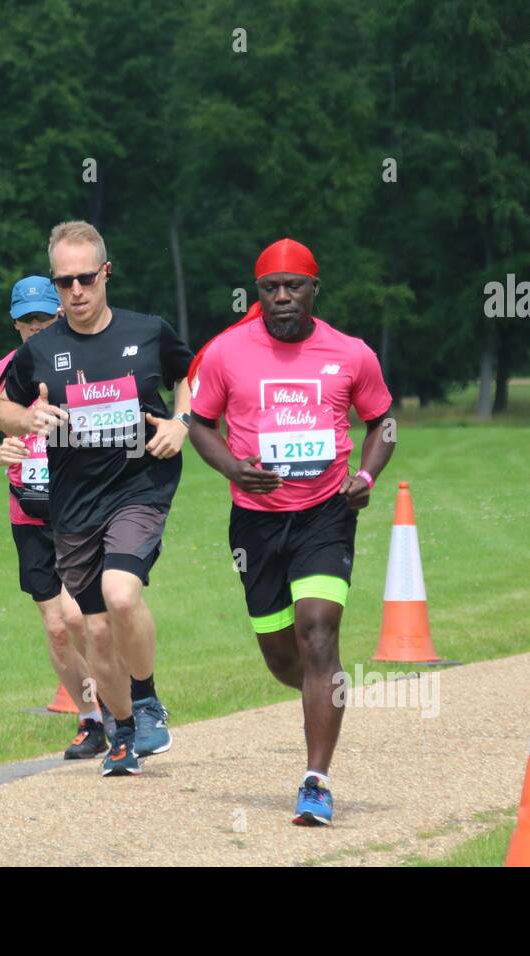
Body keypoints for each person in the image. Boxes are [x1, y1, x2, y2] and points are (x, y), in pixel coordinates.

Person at [187, 238, 395, 826]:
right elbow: (200, 425)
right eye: (270, 288)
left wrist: (366, 475)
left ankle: (316, 780)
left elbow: (385, 422)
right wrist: (233, 467)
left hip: (326, 513)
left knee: (320, 633)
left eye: (293, 286)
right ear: (258, 294)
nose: (282, 297)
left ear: (314, 289)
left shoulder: (351, 353)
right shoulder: (228, 353)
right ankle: (318, 691)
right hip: (255, 524)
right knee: (286, 657)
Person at [0, 220, 194, 777]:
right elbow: (1, 409)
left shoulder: (147, 331)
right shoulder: (42, 350)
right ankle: (125, 731)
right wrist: (28, 417)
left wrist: (182, 421)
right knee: (97, 630)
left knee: (121, 595)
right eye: (64, 282)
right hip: (74, 505)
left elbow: (192, 375)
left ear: (105, 273)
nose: (76, 292)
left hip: (139, 486)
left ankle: (149, 699)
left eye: (85, 278)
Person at [0, 276, 104, 758]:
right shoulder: (1, 374)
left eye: (44, 318)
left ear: (61, 315)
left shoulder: (86, 362)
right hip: (28, 513)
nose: (36, 328)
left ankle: (123, 702)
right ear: (16, 325)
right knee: (55, 627)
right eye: (27, 321)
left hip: (81, 510)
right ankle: (92, 718)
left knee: (77, 614)